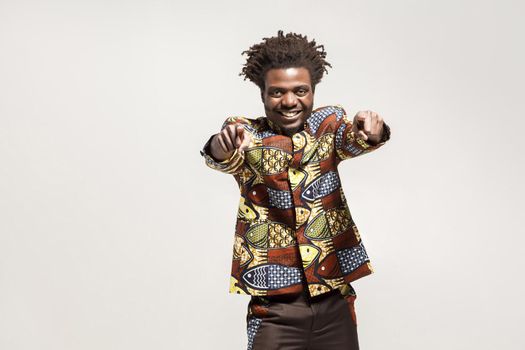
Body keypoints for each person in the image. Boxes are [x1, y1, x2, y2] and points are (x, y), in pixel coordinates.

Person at [200, 30, 391, 350]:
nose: (289, 101)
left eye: (299, 90)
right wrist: (222, 145)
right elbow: (222, 156)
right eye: (277, 92)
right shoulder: (247, 134)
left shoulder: (328, 127)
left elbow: (356, 140)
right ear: (262, 94)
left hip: (334, 300)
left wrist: (373, 130)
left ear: (313, 90)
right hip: (275, 308)